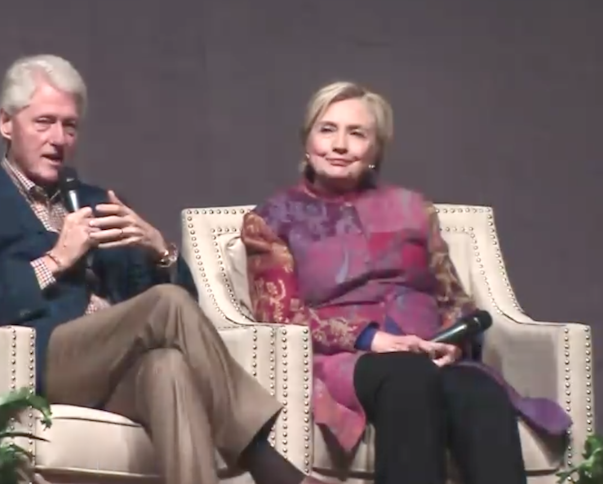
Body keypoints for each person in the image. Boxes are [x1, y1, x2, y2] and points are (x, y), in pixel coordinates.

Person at [0, 54, 329, 484]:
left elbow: (182, 313)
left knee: (168, 367)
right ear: (6, 123)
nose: (58, 138)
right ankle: (263, 458)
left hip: (115, 364)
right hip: (39, 359)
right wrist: (55, 260)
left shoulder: (98, 201)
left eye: (69, 126)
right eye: (43, 122)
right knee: (164, 307)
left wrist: (160, 253)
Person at [241, 81, 572, 484]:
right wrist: (372, 340)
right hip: (345, 359)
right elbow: (279, 318)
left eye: (357, 133)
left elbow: (452, 296)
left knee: (479, 393)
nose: (340, 144)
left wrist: (454, 340)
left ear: (375, 151)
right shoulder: (273, 218)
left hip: (429, 350)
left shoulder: (414, 208)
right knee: (408, 380)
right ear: (307, 142)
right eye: (327, 129)